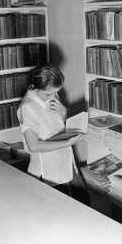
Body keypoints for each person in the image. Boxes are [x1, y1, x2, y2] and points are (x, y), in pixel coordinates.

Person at [17, 65, 83, 194]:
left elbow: (58, 125)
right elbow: (34, 146)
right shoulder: (27, 108)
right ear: (33, 87)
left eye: (56, 92)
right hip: (46, 171)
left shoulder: (48, 96)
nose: (54, 96)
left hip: (63, 160)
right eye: (49, 93)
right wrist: (67, 143)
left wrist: (64, 112)